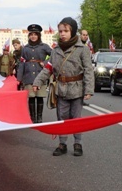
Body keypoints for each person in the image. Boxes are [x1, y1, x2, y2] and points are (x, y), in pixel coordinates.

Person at [32, 17, 94, 155]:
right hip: (61, 89)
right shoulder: (55, 51)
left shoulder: (82, 49)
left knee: (76, 118)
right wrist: (37, 82)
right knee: (62, 118)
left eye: (66, 31)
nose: (62, 34)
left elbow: (89, 70)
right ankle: (62, 144)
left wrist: (89, 89)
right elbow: (47, 69)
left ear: (73, 31)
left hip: (77, 89)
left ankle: (78, 144)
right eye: (60, 31)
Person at [18, 24, 52, 123]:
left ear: (38, 36)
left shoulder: (44, 46)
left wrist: (45, 63)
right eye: (31, 34)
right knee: (31, 97)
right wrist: (19, 78)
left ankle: (39, 118)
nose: (33, 36)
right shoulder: (25, 48)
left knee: (39, 96)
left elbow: (54, 55)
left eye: (35, 34)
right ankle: (32, 118)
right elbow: (22, 63)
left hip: (40, 74)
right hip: (28, 75)